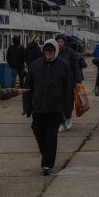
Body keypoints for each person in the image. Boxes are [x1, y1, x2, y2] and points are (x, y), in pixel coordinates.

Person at [27, 39, 70, 175]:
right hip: (38, 107)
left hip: (55, 107)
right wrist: (28, 106)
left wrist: (67, 108)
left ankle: (47, 164)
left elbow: (68, 89)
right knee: (38, 132)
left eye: (51, 51)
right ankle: (47, 154)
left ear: (56, 51)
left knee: (51, 136)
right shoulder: (35, 65)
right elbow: (29, 87)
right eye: (46, 51)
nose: (49, 53)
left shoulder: (63, 66)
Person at [55, 34, 81, 132]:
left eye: (61, 41)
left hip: (69, 82)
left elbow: (76, 67)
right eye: (58, 41)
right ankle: (61, 122)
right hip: (57, 82)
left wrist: (77, 81)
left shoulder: (70, 53)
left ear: (65, 42)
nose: (59, 43)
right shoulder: (54, 52)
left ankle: (68, 117)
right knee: (58, 103)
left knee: (68, 102)